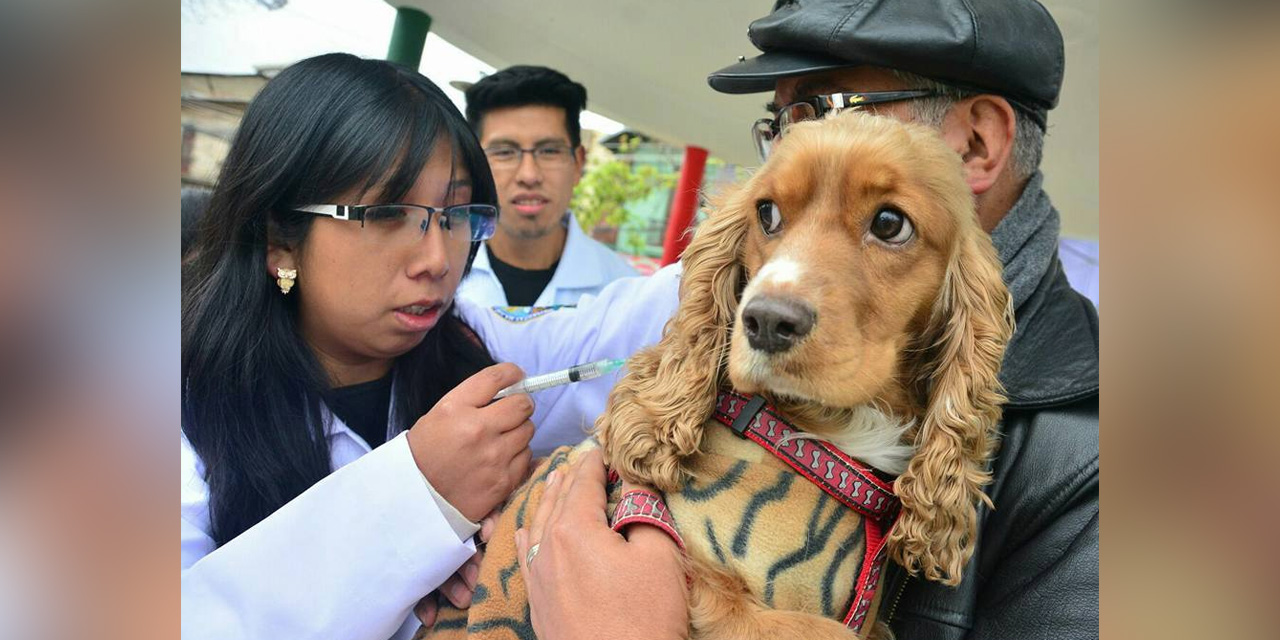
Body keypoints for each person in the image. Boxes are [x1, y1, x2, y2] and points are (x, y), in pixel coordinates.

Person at [516, 2, 1099, 639]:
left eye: (821, 110)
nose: (770, 300)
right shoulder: (725, 296)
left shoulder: (1107, 458)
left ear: (975, 143)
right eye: (779, 124)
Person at [180, 53, 679, 640]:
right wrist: (422, 504)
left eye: (455, 213)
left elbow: (649, 317)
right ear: (279, 240)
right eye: (388, 213)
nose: (438, 261)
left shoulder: (477, 347)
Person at [457, 65, 637, 307]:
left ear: (578, 163)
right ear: (475, 163)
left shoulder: (625, 293)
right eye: (505, 152)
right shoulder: (437, 273)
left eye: (549, 151)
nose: (529, 175)